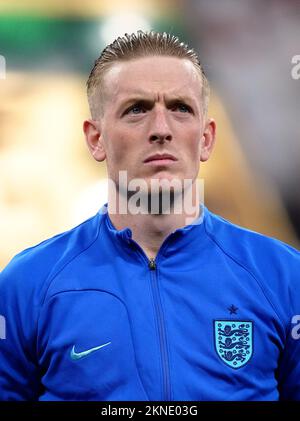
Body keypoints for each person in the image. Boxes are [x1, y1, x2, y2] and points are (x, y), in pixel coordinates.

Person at [0, 30, 299, 402]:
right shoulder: (27, 284)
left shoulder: (284, 277)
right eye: (137, 109)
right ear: (96, 139)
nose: (161, 130)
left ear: (206, 138)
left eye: (180, 108)